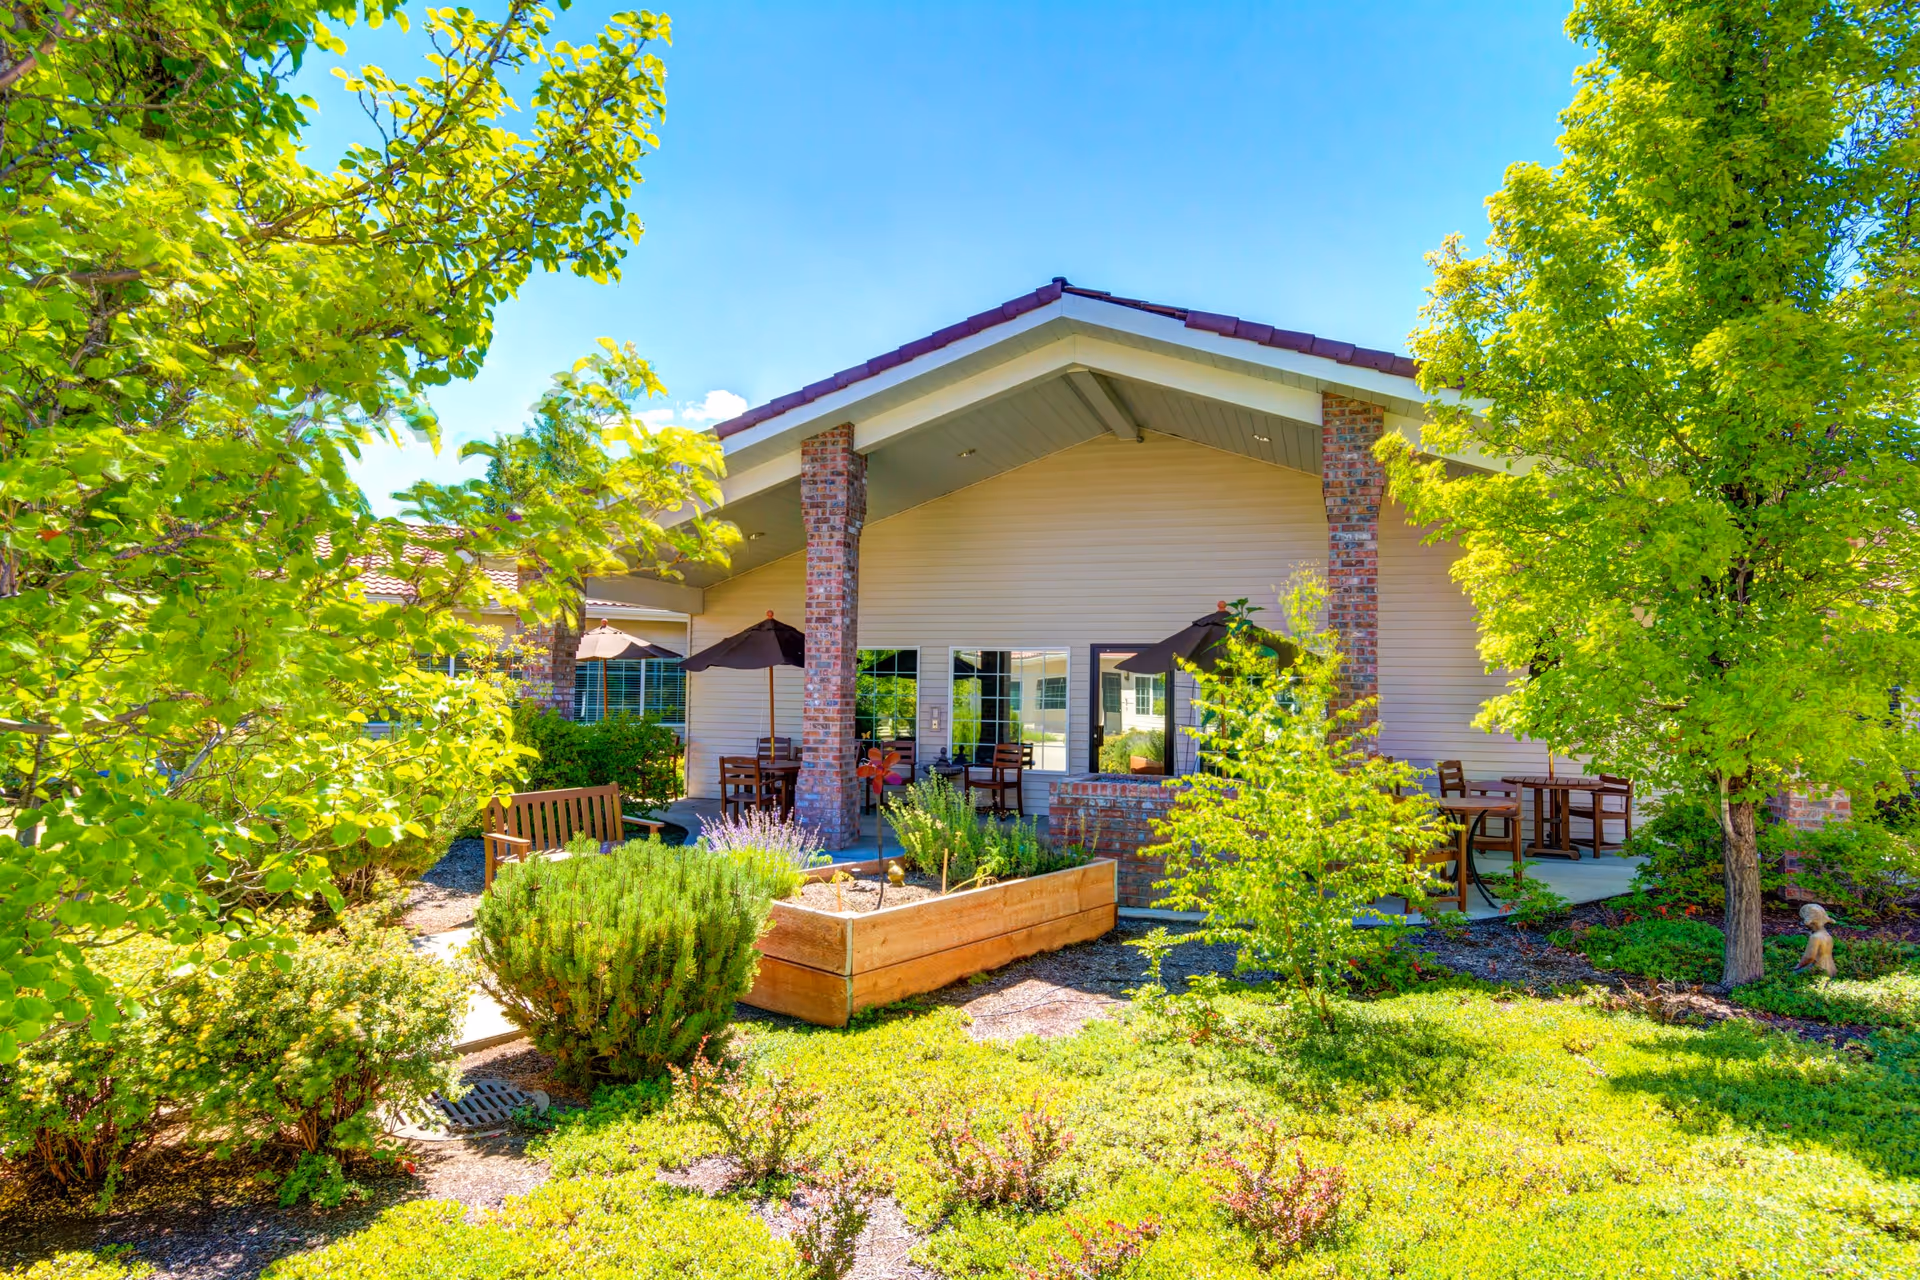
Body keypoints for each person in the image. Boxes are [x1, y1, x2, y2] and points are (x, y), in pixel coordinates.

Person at [1793, 903, 1835, 978]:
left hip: (1819, 970)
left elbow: (1809, 957)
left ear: (1810, 921)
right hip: (1831, 968)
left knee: (1794, 973)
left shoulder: (1815, 937)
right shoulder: (1827, 935)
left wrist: (1798, 965)